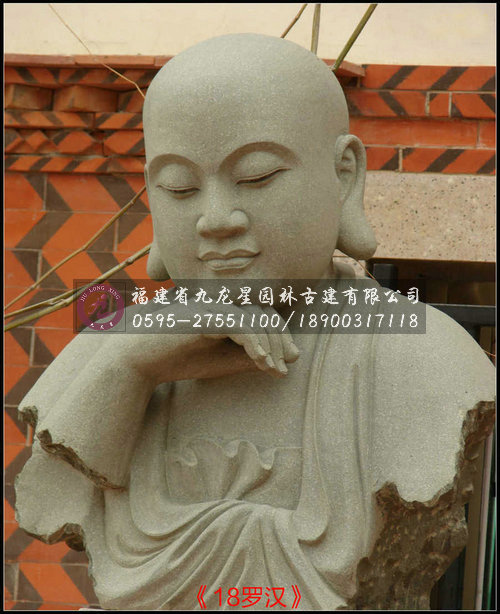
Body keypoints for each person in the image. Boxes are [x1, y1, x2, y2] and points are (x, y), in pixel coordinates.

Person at [15, 34, 495, 610]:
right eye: (179, 187)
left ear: (344, 175)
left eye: (257, 176)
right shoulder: (118, 345)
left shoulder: (426, 357)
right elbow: (49, 495)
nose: (216, 219)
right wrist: (129, 368)